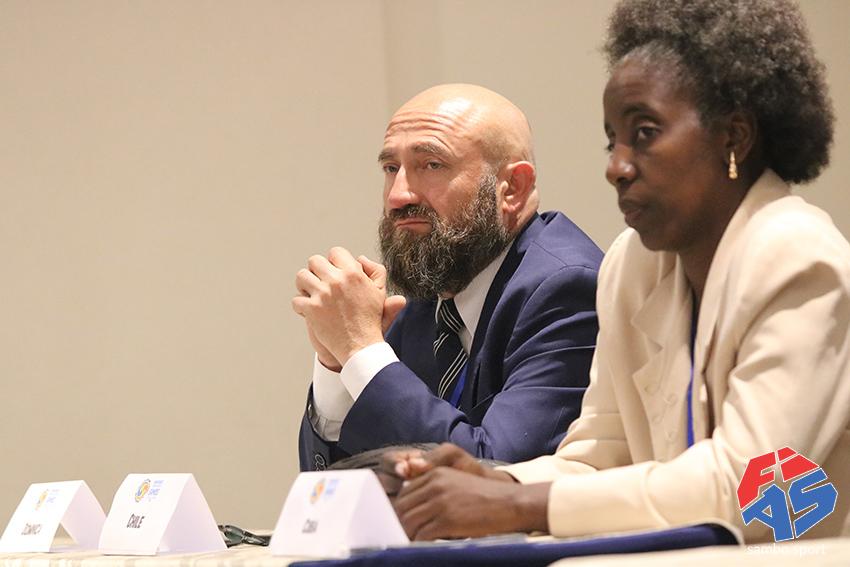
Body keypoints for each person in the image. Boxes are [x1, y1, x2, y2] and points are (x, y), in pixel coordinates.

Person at [385, 0, 850, 544]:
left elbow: (755, 489)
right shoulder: (635, 263)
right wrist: (492, 482)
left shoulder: (799, 256)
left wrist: (516, 503)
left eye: (644, 133)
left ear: (734, 137)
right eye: (613, 141)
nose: (616, 167)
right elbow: (596, 457)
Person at [292, 84, 603, 471]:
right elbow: (333, 489)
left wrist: (361, 349)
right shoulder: (428, 298)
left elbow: (496, 476)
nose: (398, 196)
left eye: (431, 165)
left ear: (513, 188)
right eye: (391, 168)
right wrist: (337, 363)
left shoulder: (567, 292)